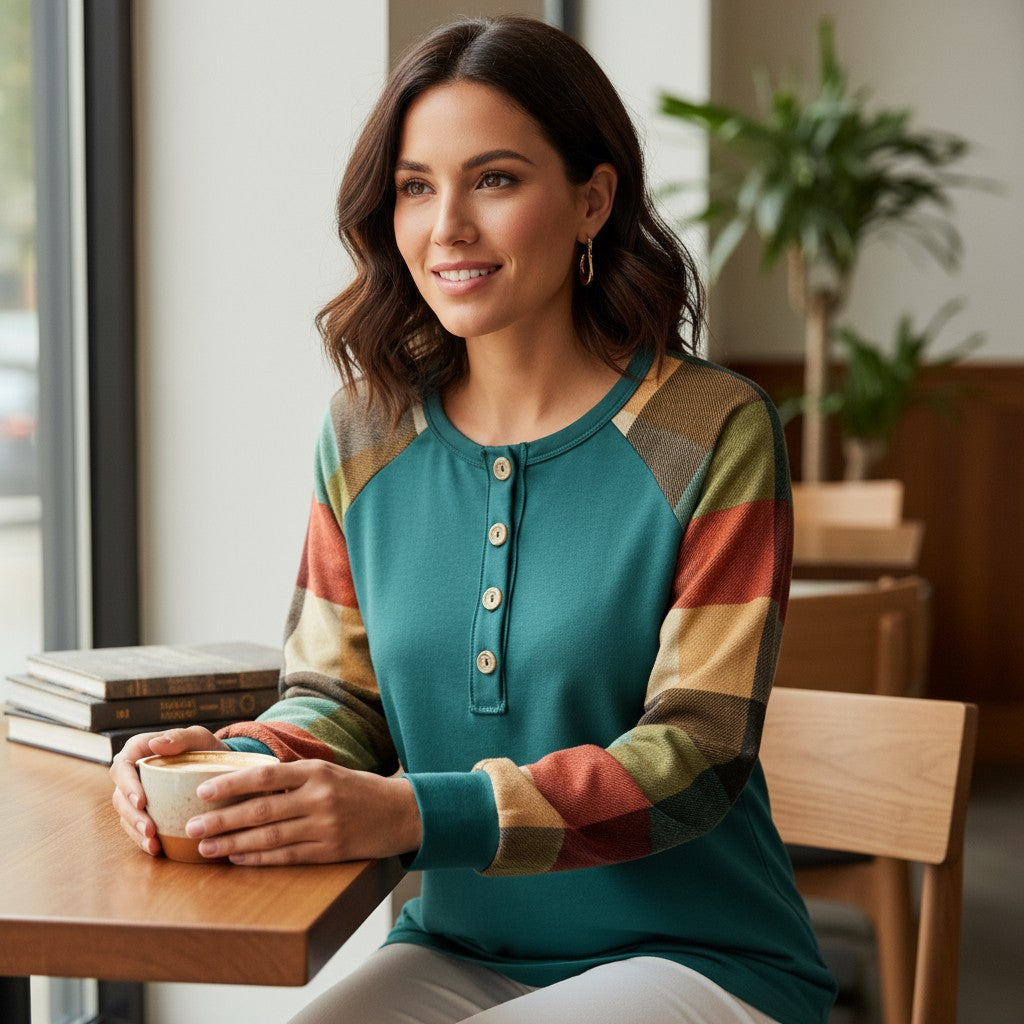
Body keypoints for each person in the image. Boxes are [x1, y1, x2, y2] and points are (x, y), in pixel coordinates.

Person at [111, 16, 836, 1024]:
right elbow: (340, 698)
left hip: (699, 955)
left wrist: (415, 812)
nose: (445, 226)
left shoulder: (712, 428)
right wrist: (232, 768)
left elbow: (697, 752)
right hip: (461, 943)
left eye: (493, 179)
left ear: (592, 199)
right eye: (415, 186)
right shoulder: (363, 431)